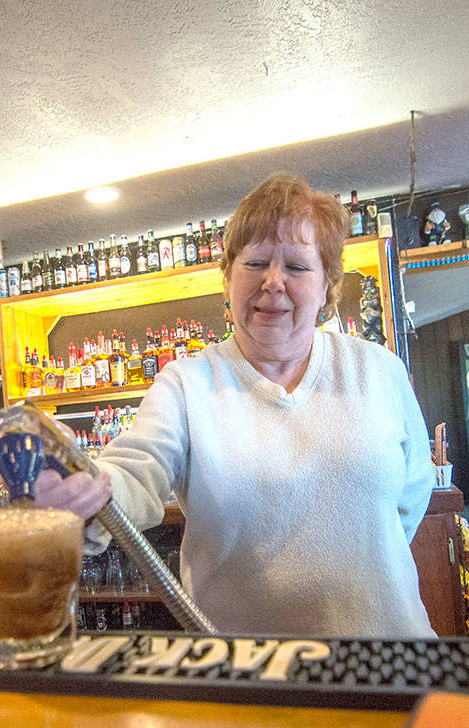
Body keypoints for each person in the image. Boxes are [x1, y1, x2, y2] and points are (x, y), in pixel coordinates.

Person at [34, 173, 436, 637]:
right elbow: (135, 470)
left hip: (391, 651)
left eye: (297, 267)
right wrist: (84, 491)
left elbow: (413, 496)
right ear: (227, 279)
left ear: (328, 285)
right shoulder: (187, 383)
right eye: (256, 262)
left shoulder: (377, 369)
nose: (273, 281)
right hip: (245, 663)